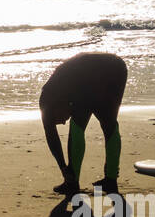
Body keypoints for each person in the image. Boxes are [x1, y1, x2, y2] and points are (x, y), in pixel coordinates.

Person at [39, 52, 128, 197]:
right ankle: (111, 180)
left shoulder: (49, 98)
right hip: (117, 66)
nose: (63, 122)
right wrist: (62, 166)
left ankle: (72, 182)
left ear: (56, 107)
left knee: (77, 126)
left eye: (59, 119)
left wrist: (64, 168)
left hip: (89, 73)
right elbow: (51, 135)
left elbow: (51, 135)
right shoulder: (53, 98)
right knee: (109, 123)